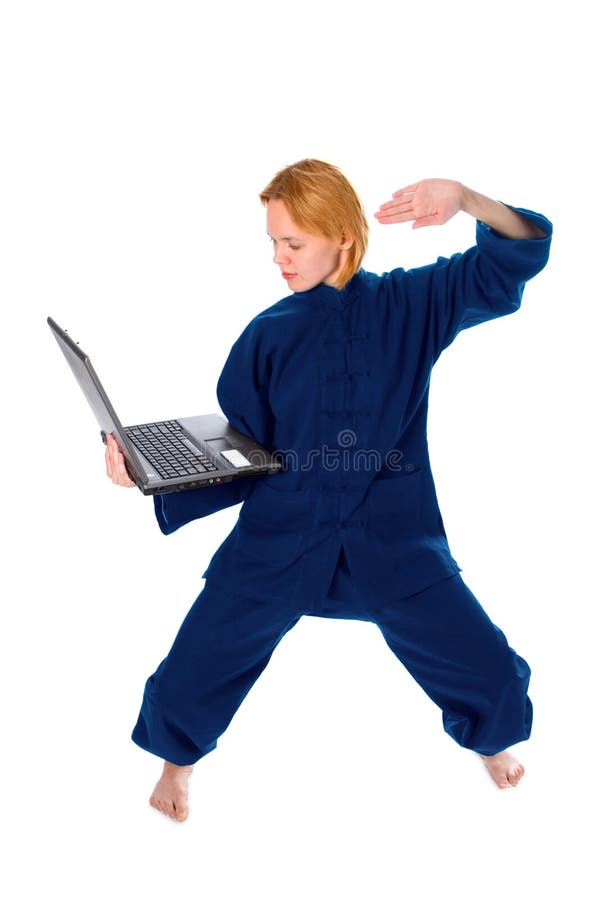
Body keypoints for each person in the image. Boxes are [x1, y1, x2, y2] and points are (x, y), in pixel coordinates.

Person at [105, 160, 552, 822]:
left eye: (294, 244)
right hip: (281, 538)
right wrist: (147, 471)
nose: (279, 260)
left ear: (342, 235)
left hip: (394, 542)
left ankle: (490, 744)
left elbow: (515, 251)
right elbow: (243, 448)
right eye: (273, 244)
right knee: (198, 662)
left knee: (486, 669)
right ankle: (178, 763)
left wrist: (464, 198)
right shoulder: (268, 333)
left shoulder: (413, 305)